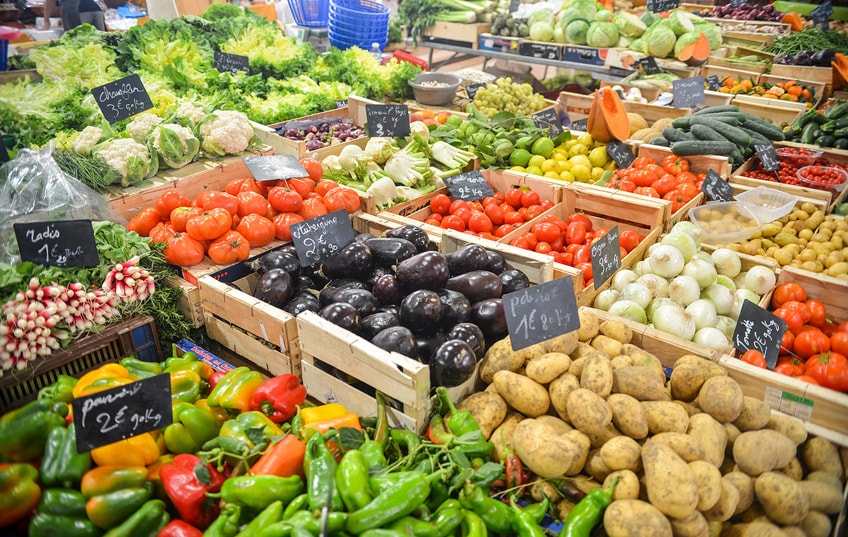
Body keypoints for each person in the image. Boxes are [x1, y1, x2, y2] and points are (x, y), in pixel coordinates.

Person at [38, 0, 105, 31]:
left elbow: (50, 1)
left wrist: (46, 22)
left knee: (77, 41)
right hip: (97, 9)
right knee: (102, 42)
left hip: (75, 9)